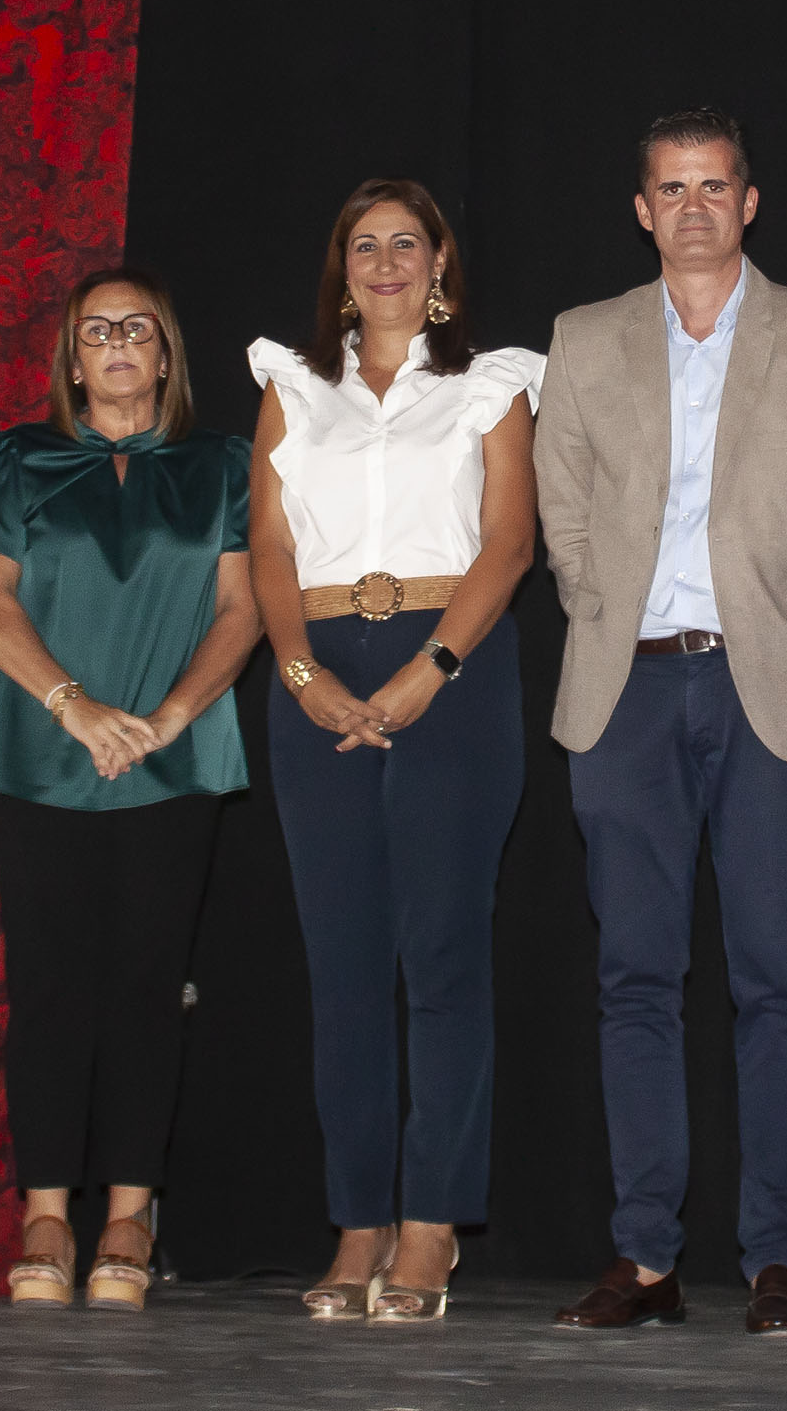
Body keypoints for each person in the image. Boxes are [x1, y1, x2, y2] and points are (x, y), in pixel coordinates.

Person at [536, 108, 787, 1337]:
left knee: (775, 981)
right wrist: (602, 609)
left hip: (771, 690)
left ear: (750, 201)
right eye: (671, 187)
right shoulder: (584, 337)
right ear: (642, 209)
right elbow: (561, 508)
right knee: (635, 977)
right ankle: (645, 1256)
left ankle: (776, 1260)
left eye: (714, 185)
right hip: (626, 689)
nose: (693, 205)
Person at [248, 179, 543, 1325]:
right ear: (342, 267)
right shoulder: (292, 384)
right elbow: (268, 545)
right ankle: (359, 1220)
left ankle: (431, 1225)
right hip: (315, 672)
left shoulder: (491, 383)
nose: (384, 262)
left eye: (405, 243)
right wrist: (301, 671)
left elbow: (509, 542)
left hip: (451, 670)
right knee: (343, 968)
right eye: (364, 245)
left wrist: (434, 667)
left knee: (445, 957)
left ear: (439, 263)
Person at [0, 269, 259, 1313]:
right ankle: (45, 1214)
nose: (119, 342)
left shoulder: (224, 463)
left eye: (138, 327)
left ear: (165, 354)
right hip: (43, 754)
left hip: (174, 759)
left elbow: (244, 606)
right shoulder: (16, 457)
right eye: (98, 331)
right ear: (72, 359)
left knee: (146, 986)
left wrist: (169, 717)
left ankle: (130, 1213)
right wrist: (74, 706)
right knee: (48, 985)